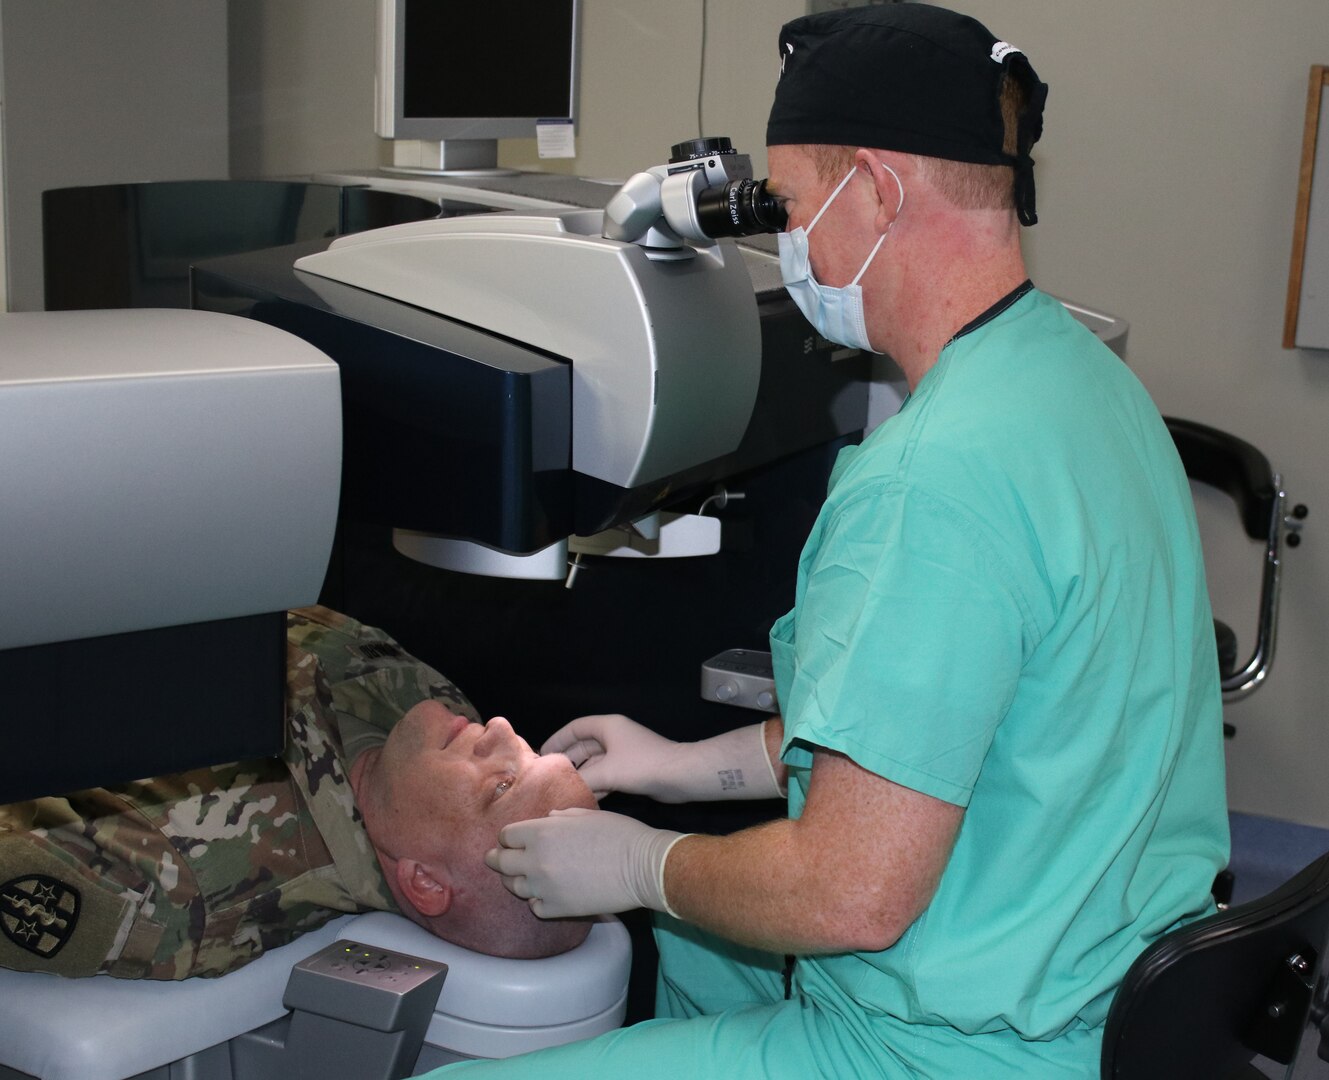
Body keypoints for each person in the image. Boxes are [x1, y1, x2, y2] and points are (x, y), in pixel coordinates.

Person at [446, 5, 1230, 1077]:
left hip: (945, 1049)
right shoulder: (1089, 387)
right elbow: (930, 724)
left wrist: (637, 862)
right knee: (697, 952)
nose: (790, 238)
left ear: (876, 190)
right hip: (1103, 974)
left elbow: (851, 895)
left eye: (798, 202)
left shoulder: (930, 482)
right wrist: (680, 770)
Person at [0, 606, 595, 980]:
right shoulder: (431, 718)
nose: (502, 730)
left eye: (504, 783)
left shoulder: (180, 886)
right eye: (534, 753)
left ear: (425, 883)